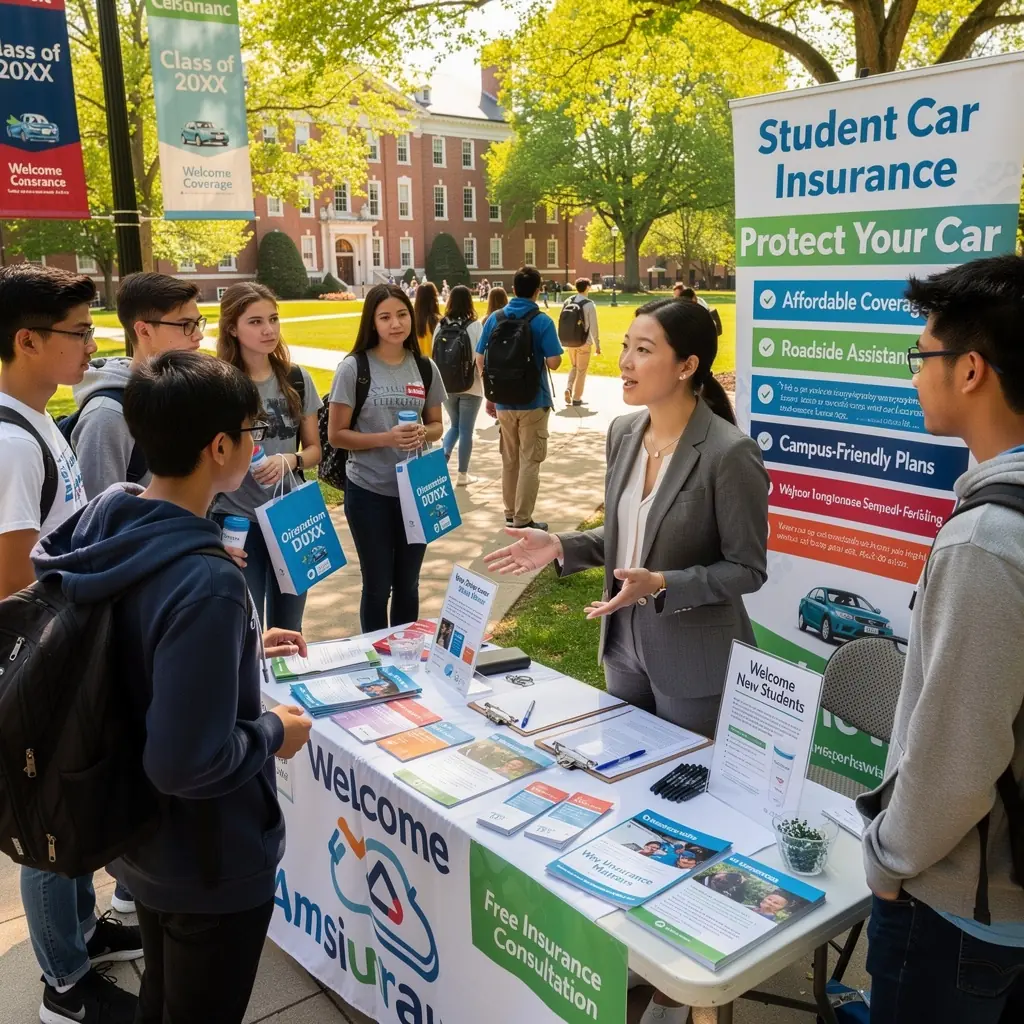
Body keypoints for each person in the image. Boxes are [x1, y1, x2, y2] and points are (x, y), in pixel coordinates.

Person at [31, 350, 313, 1023]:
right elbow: (187, 761)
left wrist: (238, 648)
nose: (258, 444)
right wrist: (277, 731)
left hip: (138, 838)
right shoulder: (208, 581)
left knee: (162, 998)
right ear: (221, 447)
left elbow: (134, 644)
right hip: (207, 859)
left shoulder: (110, 518)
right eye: (252, 433)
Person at [857, 254, 1024, 1024]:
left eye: (921, 355)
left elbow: (957, 757)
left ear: (971, 371)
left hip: (961, 919)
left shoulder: (986, 541)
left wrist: (888, 862)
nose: (913, 374)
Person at [486, 298, 768, 736]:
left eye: (643, 349)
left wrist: (662, 584)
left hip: (693, 660)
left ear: (686, 365)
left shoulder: (729, 453)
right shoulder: (623, 432)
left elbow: (747, 569)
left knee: (682, 791)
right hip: (622, 647)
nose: (624, 362)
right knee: (623, 776)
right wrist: (562, 544)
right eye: (625, 346)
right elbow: (629, 534)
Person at [0, 264, 145, 1023]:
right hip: (45, 666)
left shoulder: (37, 420)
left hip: (69, 652)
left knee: (75, 810)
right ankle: (64, 983)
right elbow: (14, 586)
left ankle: (85, 932)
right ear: (27, 339)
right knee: (49, 824)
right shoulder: (12, 443)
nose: (94, 345)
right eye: (79, 332)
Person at [327, 284, 446, 632]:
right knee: (378, 587)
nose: (395, 324)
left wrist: (425, 432)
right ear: (372, 322)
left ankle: (404, 657)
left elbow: (437, 424)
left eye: (402, 314)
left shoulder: (424, 367)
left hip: (416, 492)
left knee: (408, 585)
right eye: (385, 317)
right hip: (369, 492)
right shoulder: (353, 368)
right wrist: (386, 438)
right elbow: (337, 435)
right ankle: (375, 661)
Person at [211, 282, 322, 631]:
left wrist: (290, 461)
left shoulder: (296, 379)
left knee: (290, 627)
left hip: (292, 520)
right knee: (248, 627)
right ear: (232, 327)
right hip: (237, 521)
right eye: (255, 321)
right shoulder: (218, 385)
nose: (269, 329)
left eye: (273, 319)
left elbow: (315, 450)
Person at [72, 272, 203, 498]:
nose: (198, 335)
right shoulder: (107, 415)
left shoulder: (184, 392)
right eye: (185, 325)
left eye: (198, 323)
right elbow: (97, 520)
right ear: (144, 331)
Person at [475, 265, 563, 531]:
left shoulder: (494, 319)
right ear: (538, 290)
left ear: (514, 289)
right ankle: (523, 519)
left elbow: (481, 358)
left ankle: (510, 511)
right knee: (530, 461)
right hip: (533, 400)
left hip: (503, 401)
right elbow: (555, 362)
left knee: (509, 460)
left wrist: (491, 393)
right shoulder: (543, 321)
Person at [436, 284, 484, 486]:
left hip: (446, 385)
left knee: (455, 425)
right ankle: (463, 474)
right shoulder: (475, 325)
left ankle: (442, 459)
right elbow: (480, 356)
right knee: (465, 430)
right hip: (470, 384)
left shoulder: (441, 325)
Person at [562, 277, 602, 407]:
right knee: (581, 370)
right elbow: (594, 326)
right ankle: (577, 398)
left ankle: (568, 388)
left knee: (574, 367)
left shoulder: (568, 301)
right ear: (587, 288)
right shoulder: (589, 304)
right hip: (584, 341)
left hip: (570, 341)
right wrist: (597, 344)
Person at [413, 280, 441, 356]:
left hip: (417, 363)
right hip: (435, 364)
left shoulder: (411, 320)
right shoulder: (440, 321)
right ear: (434, 298)